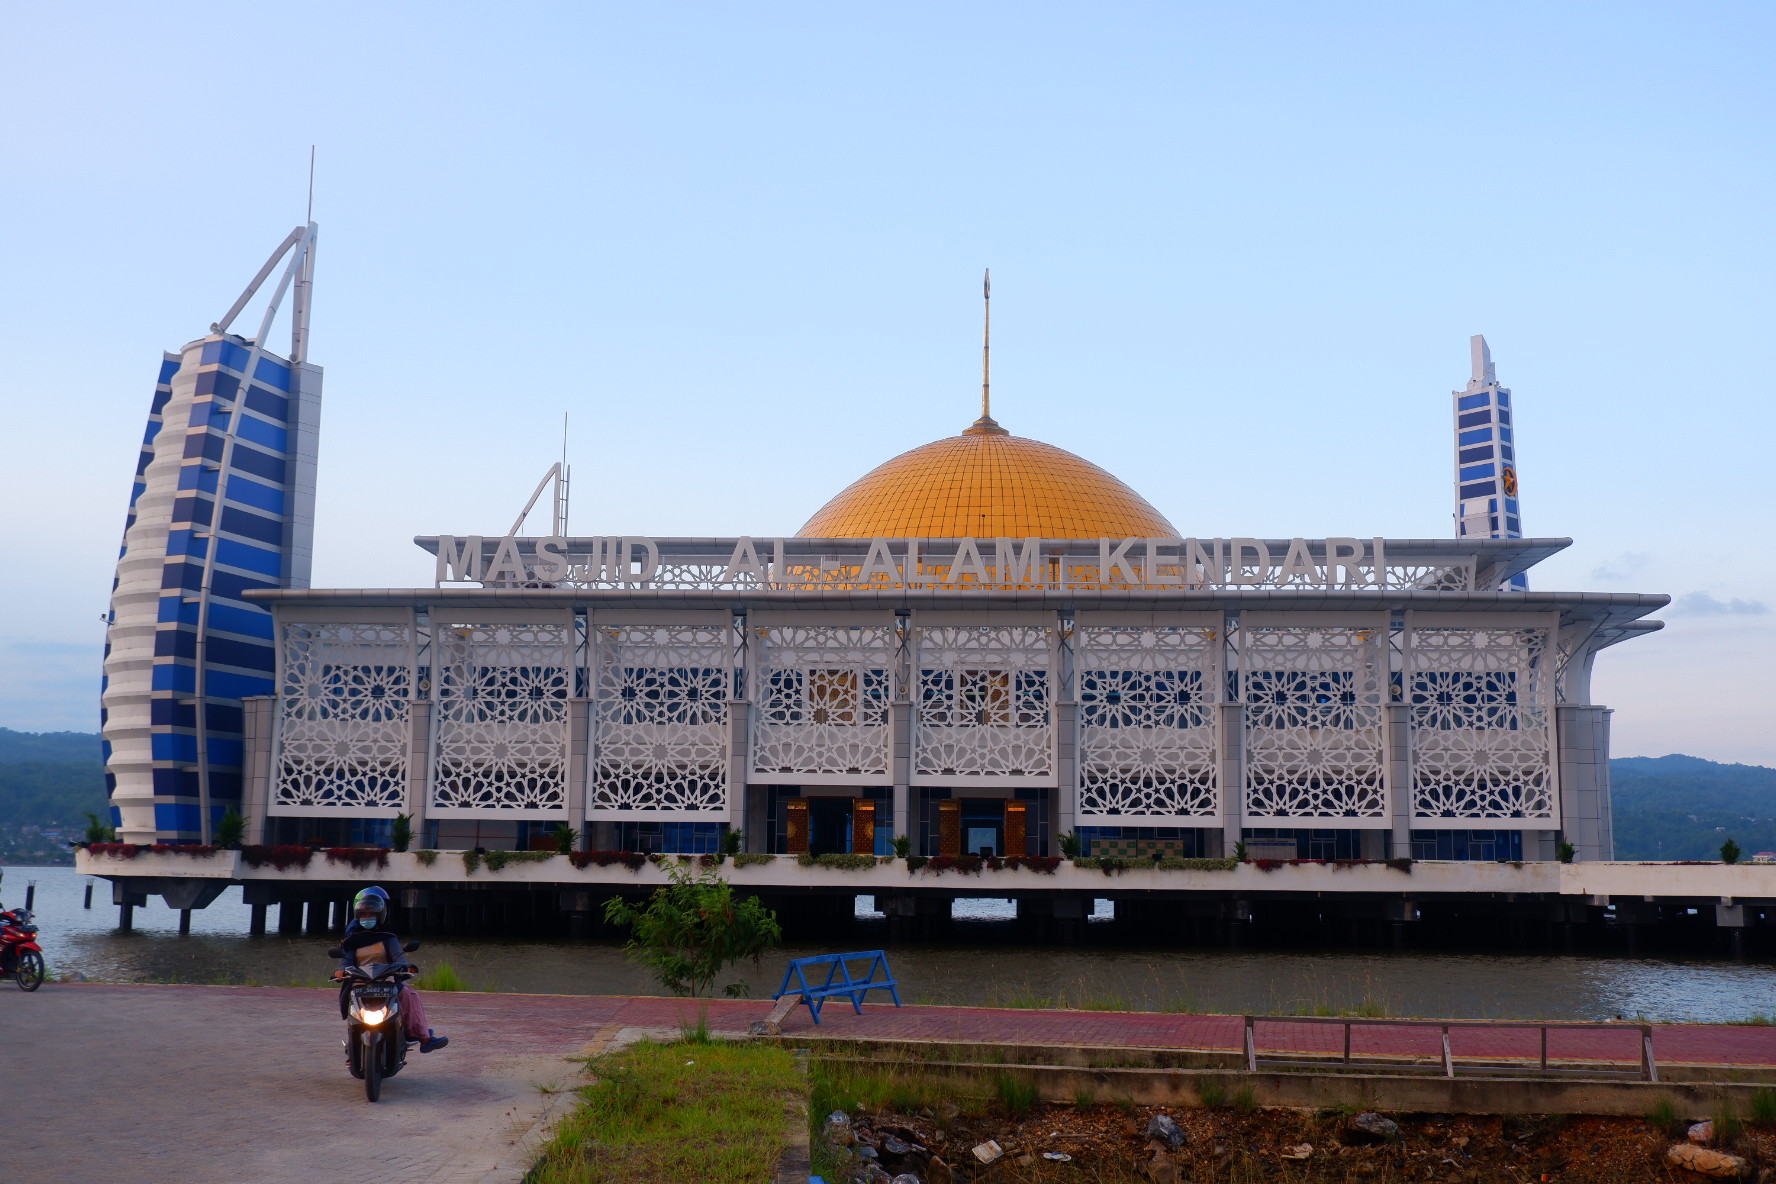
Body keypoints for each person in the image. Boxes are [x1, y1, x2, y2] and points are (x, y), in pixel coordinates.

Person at [333, 886, 448, 1054]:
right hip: (359, 982)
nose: (367, 917)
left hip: (385, 979)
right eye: (364, 914)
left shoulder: (388, 935)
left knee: (409, 994)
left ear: (380, 915)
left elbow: (397, 956)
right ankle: (353, 1048)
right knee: (353, 1008)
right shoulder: (351, 939)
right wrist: (341, 971)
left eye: (371, 914)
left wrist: (406, 965)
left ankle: (424, 1038)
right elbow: (346, 959)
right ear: (358, 916)